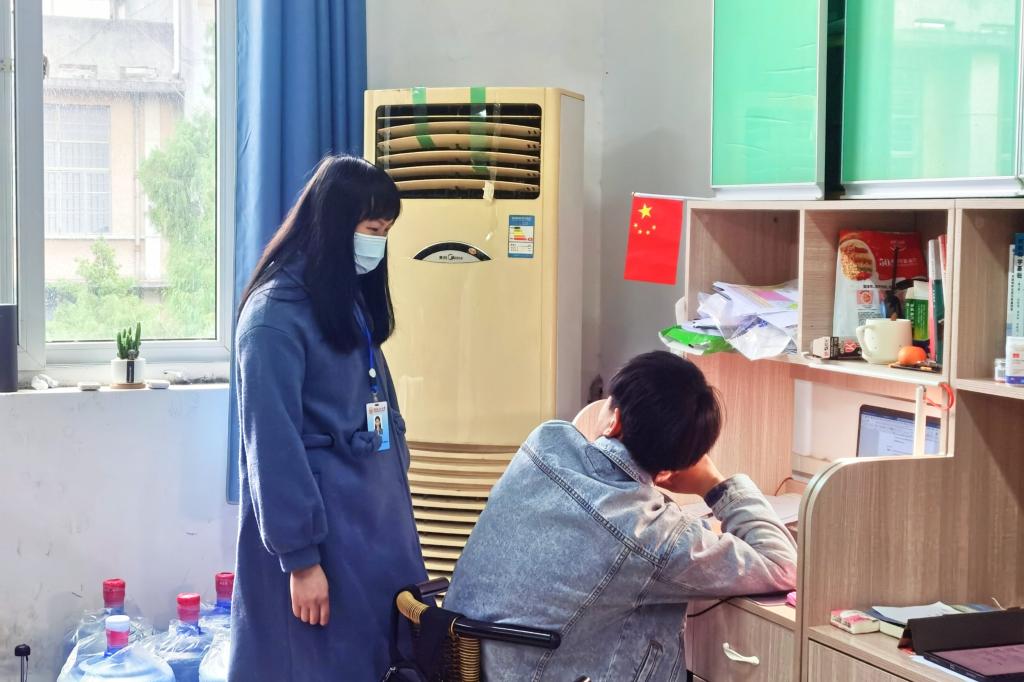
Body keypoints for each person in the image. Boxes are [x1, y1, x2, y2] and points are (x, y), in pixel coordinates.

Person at [444, 351, 797, 681]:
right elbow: (783, 564)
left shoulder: (545, 444)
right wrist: (714, 484)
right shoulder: (653, 536)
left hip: (461, 665)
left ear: (614, 420)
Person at [229, 155, 426, 681]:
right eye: (371, 230)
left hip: (374, 525)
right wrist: (301, 560)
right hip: (322, 541)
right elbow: (272, 451)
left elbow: (378, 406)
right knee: (314, 664)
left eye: (385, 232)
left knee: (382, 661)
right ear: (334, 225)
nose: (378, 244)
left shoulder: (341, 300)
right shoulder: (272, 320)